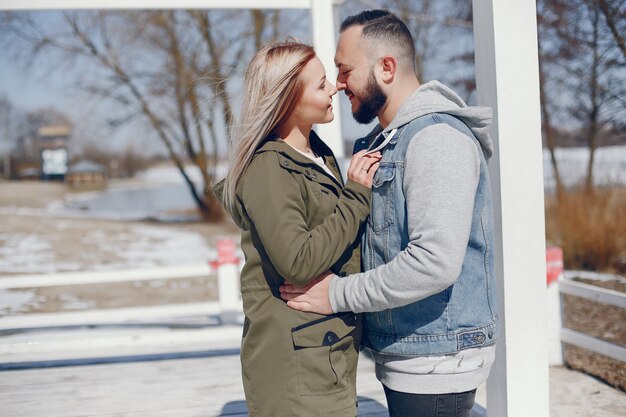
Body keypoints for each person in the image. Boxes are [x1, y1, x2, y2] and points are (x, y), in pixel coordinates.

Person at [280, 10, 499, 417]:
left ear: (386, 67)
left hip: (436, 360)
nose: (339, 84)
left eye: (345, 70)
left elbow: (434, 263)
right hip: (414, 356)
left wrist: (336, 295)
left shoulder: (436, 139)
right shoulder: (388, 140)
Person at [215, 39, 381, 417]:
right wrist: (357, 196)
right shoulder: (269, 169)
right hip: (293, 366)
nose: (335, 87)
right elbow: (299, 262)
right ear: (289, 98)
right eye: (321, 84)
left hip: (323, 353)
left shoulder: (317, 155)